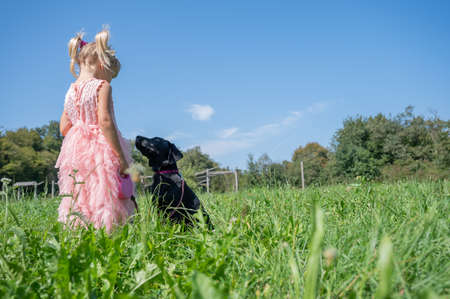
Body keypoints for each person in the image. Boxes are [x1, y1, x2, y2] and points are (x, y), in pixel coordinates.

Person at [55, 29, 136, 233]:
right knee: (105, 191)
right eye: (111, 74)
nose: (110, 79)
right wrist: (122, 158)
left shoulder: (70, 91)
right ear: (102, 65)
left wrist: (80, 130)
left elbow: (64, 127)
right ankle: (108, 234)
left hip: (76, 151)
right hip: (102, 148)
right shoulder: (102, 86)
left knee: (81, 192)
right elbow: (105, 121)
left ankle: (80, 232)